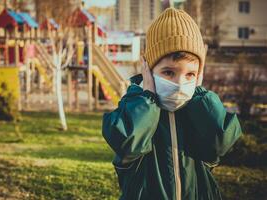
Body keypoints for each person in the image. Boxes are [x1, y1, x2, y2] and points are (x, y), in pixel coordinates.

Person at [102, 7, 242, 200]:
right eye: (169, 72)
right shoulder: (134, 105)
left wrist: (199, 93)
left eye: (190, 74)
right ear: (148, 70)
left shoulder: (199, 110)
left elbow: (220, 140)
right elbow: (127, 141)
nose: (179, 84)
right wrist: (148, 98)